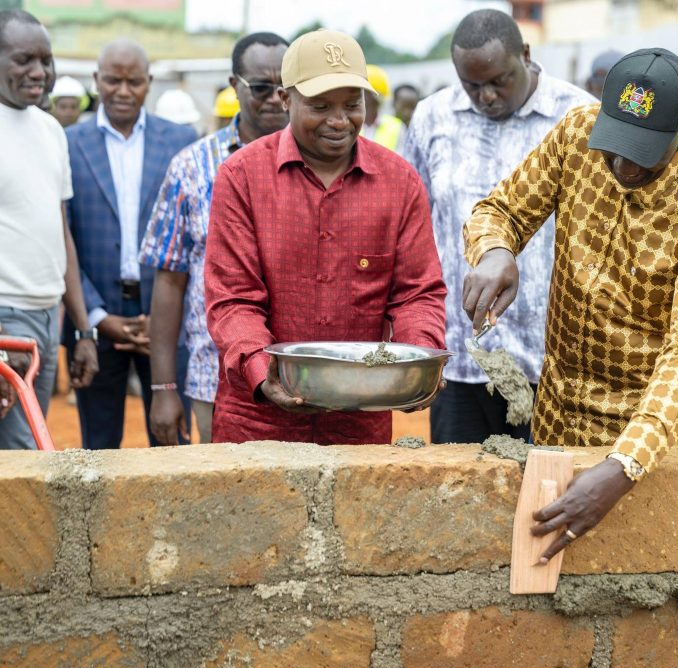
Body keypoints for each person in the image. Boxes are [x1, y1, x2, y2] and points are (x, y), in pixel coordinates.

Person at [462, 49, 678, 561]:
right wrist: (496, 251)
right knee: (549, 573)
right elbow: (499, 210)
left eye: (643, 153)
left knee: (651, 577)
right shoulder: (577, 133)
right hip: (560, 410)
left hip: (651, 431)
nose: (622, 165)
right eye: (615, 146)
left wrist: (624, 466)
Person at [204, 29, 446, 445]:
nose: (339, 121)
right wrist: (263, 374)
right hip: (258, 420)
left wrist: (415, 361)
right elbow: (233, 298)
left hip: (360, 419)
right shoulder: (242, 177)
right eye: (320, 106)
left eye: (352, 104)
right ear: (285, 100)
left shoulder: (400, 182)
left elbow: (416, 294)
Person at [402, 8, 594, 444]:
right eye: (472, 85)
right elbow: (411, 227)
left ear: (525, 54)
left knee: (545, 498)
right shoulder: (432, 118)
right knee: (460, 498)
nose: (486, 96)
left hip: (553, 363)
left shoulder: (580, 117)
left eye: (499, 81)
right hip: (458, 360)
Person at [138, 32, 289, 446]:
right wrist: (163, 388)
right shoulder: (192, 167)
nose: (276, 99)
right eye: (261, 88)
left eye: (285, 88)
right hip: (216, 381)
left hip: (304, 383)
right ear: (234, 85)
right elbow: (169, 282)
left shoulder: (324, 162)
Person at [65, 39, 197, 449]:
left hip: (167, 315)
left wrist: (161, 316)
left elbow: (192, 236)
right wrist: (98, 317)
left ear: (149, 83)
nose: (123, 91)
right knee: (98, 448)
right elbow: (62, 236)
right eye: (112, 80)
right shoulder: (68, 143)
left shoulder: (180, 141)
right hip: (95, 321)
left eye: (134, 82)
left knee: (170, 443)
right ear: (96, 80)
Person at [0, 9, 97, 449]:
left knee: (28, 452)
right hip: (6, 320)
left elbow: (60, 234)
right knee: (24, 455)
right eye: (24, 60)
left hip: (46, 316)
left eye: (46, 59)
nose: (39, 72)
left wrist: (81, 329)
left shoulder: (51, 131)